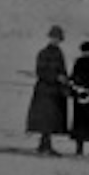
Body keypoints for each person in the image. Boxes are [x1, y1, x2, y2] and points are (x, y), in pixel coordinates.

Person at [26, 25, 70, 155]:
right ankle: (44, 143)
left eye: (58, 38)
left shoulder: (60, 53)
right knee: (45, 119)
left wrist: (64, 81)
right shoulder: (43, 53)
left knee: (52, 120)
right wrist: (55, 77)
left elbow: (63, 70)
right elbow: (40, 71)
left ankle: (46, 143)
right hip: (44, 91)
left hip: (55, 91)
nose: (55, 40)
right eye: (54, 37)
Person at [70, 41, 89, 155]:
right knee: (85, 122)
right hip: (85, 95)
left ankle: (81, 146)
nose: (86, 53)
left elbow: (74, 77)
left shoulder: (81, 62)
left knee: (83, 122)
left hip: (83, 95)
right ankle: (81, 146)